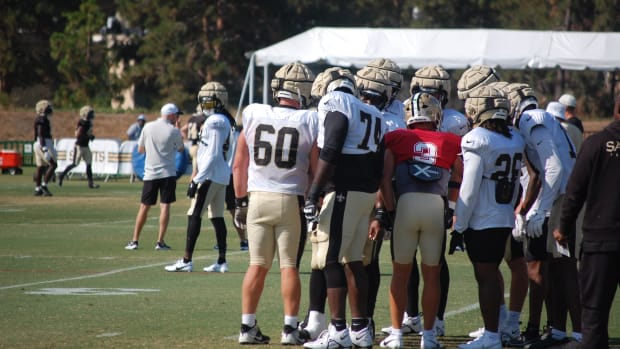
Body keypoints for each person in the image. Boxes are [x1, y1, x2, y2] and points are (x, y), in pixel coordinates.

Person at [302, 66, 388, 349]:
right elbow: (379, 163)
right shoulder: (374, 113)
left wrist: (315, 190)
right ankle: (360, 329)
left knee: (329, 258)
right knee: (353, 260)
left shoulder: (334, 102)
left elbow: (333, 143)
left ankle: (338, 331)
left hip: (344, 191)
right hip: (365, 192)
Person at [234, 62, 317, 345]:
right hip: (290, 199)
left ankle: (247, 328)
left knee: (256, 264)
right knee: (289, 266)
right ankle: (290, 330)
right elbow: (316, 169)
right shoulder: (309, 119)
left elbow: (239, 164)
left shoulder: (254, 113)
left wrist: (239, 202)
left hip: (256, 199)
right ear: (303, 91)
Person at [378, 92, 462, 349]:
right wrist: (451, 208)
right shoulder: (450, 140)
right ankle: (428, 336)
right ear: (435, 115)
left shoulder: (396, 138)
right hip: (435, 206)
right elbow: (461, 177)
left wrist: (391, 210)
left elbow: (384, 179)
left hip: (406, 205)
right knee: (432, 275)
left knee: (400, 274)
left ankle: (395, 335)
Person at [457, 68, 529, 346]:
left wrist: (459, 226)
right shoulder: (513, 138)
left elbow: (469, 187)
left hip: (482, 218)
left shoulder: (477, 139)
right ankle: (496, 329)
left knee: (485, 276)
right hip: (504, 216)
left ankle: (491, 336)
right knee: (492, 273)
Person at [503, 83, 576, 348]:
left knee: (552, 267)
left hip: (561, 199)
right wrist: (526, 207)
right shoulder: (539, 118)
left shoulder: (531, 118)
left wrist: (539, 210)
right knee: (550, 268)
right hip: (561, 196)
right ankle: (553, 329)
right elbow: (537, 172)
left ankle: (569, 332)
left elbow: (553, 169)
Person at [553, 94, 620, 349]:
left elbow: (575, 191)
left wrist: (563, 227)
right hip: (601, 239)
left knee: (593, 314)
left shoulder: (597, 143)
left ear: (616, 108)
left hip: (600, 240)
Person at [164, 82, 235, 273]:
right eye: (204, 103)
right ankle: (221, 261)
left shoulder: (215, 121)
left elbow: (211, 154)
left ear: (219, 103)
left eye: (210, 103)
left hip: (210, 175)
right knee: (217, 217)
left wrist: (196, 179)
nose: (206, 107)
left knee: (194, 213)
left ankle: (187, 260)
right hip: (221, 174)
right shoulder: (224, 119)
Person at [125, 103, 184, 251]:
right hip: (168, 174)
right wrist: (177, 130)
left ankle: (134, 241)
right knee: (165, 207)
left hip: (150, 173)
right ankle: (160, 241)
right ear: (170, 115)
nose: (177, 117)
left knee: (144, 207)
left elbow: (140, 149)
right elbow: (181, 149)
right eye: (176, 115)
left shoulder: (148, 127)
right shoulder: (174, 131)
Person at [57, 105, 100, 189]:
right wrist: (89, 137)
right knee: (75, 164)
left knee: (89, 164)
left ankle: (90, 183)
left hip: (86, 146)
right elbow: (79, 135)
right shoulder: (82, 123)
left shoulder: (88, 122)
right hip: (79, 146)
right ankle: (61, 175)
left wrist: (90, 136)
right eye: (90, 113)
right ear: (85, 114)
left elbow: (87, 134)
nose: (92, 115)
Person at [33, 99, 57, 197]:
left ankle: (37, 188)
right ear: (44, 109)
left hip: (39, 143)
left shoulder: (41, 118)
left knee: (40, 167)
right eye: (48, 107)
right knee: (53, 165)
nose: (50, 109)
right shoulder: (42, 119)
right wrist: (45, 149)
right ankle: (44, 185)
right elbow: (40, 134)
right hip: (43, 144)